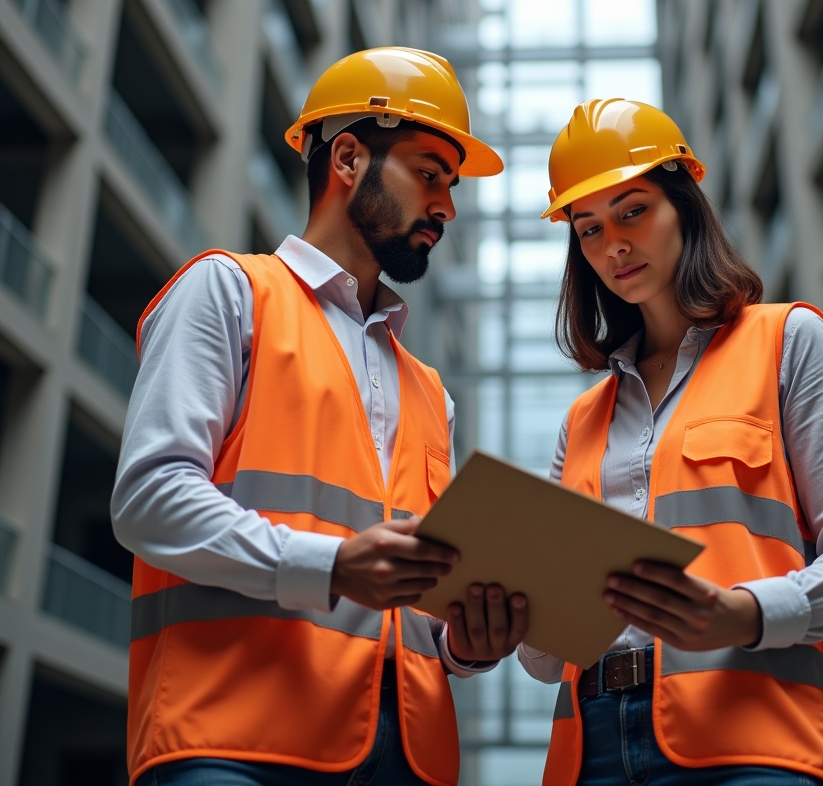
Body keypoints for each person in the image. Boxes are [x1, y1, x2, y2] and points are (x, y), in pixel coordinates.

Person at [112, 48, 527, 786]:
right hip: (234, 741)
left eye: (451, 186)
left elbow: (415, 607)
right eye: (430, 173)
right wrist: (332, 565)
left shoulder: (430, 389)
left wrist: (466, 642)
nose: (447, 207)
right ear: (346, 158)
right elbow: (148, 499)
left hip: (406, 759)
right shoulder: (229, 294)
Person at [519, 98, 823, 786]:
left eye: (633, 210)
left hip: (757, 734)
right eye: (589, 227)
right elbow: (546, 660)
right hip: (591, 751)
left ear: (685, 208)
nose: (613, 245)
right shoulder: (581, 422)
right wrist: (517, 616)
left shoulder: (788, 342)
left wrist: (745, 613)